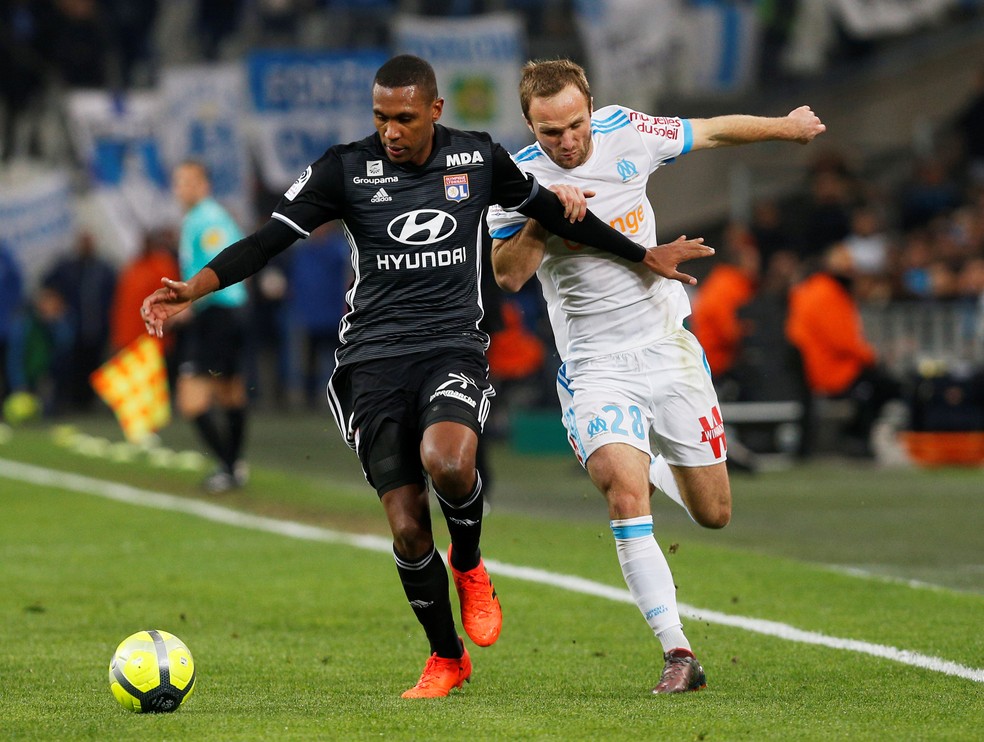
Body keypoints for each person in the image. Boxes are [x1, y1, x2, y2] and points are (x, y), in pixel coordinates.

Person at [141, 54, 696, 699]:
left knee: (450, 460)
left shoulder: (479, 159)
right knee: (406, 527)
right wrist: (195, 288)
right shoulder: (344, 168)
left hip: (452, 346)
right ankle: (446, 657)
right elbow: (268, 239)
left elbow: (557, 212)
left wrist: (643, 254)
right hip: (370, 361)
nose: (391, 131)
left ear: (435, 110)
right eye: (381, 117)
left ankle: (469, 563)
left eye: (404, 118)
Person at [488, 59, 825, 694]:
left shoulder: (626, 131)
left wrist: (786, 126)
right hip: (594, 365)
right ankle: (678, 652)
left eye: (575, 124)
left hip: (666, 348)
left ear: (592, 106)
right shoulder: (517, 178)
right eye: (550, 130)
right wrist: (543, 216)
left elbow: (713, 131)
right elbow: (507, 275)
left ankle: (656, 465)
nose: (567, 141)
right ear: (530, 124)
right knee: (621, 490)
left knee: (715, 514)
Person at [171, 160, 251, 493]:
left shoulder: (208, 218)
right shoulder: (201, 217)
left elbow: (221, 266)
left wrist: (188, 304)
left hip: (219, 314)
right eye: (179, 182)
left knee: (191, 399)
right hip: (226, 313)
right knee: (230, 394)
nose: (183, 188)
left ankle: (229, 466)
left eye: (190, 181)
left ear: (204, 185)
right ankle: (232, 467)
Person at [786, 242, 902, 456]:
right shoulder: (829, 294)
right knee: (886, 385)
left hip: (817, 366)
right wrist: (872, 357)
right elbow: (843, 341)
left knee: (875, 385)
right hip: (833, 369)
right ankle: (859, 439)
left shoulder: (811, 289)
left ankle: (859, 437)